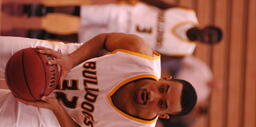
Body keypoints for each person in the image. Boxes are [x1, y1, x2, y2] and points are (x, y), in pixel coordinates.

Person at [0, 33, 197, 127]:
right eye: (162, 89)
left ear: (162, 115)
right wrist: (70, 60)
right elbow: (104, 40)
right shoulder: (139, 53)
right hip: (58, 62)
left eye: (161, 104)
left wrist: (58, 111)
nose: (153, 96)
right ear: (165, 78)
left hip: (49, 115)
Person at [2, 1, 223, 56]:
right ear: (207, 26)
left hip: (122, 36)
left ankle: (26, 34)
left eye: (210, 39)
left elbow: (156, 55)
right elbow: (161, 4)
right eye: (211, 32)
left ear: (205, 43)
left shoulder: (183, 51)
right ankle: (36, 9)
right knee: (79, 11)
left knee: (72, 36)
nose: (207, 36)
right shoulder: (187, 14)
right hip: (126, 14)